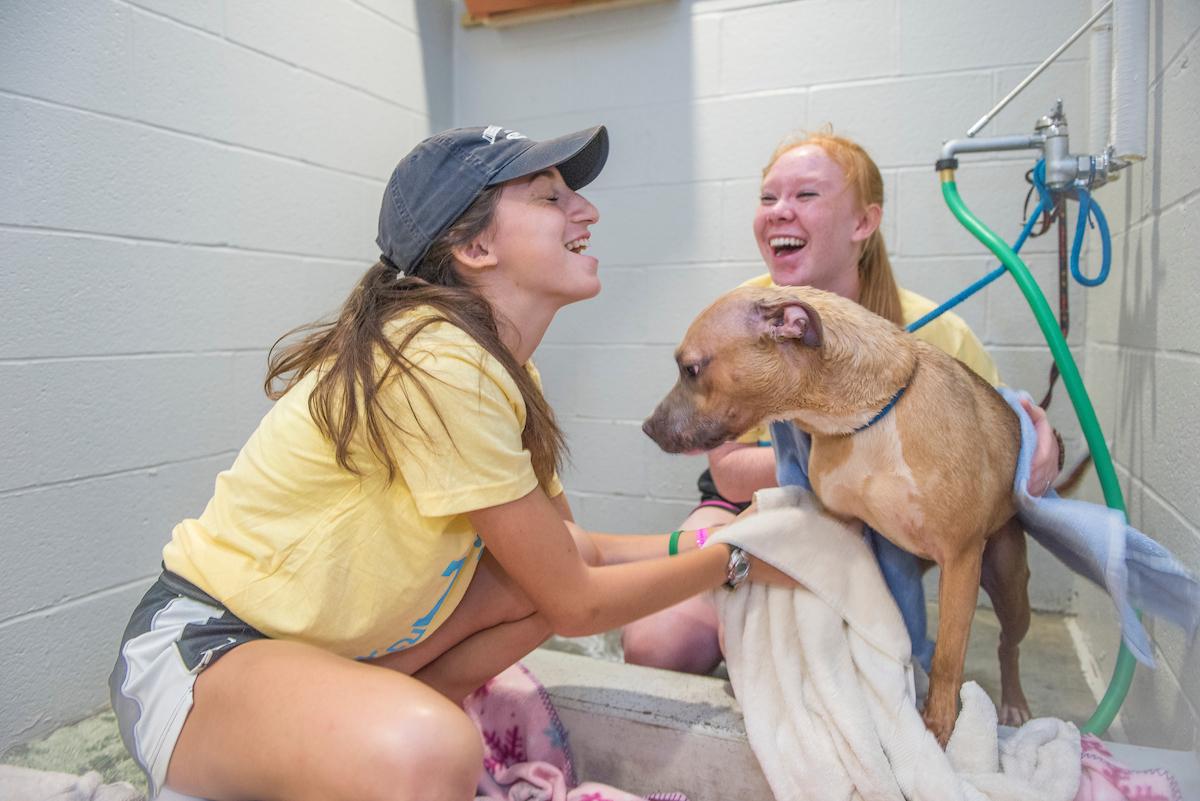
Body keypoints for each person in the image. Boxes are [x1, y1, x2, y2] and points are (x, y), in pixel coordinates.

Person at [108, 125, 793, 801]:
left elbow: (563, 560)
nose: (587, 210)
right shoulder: (439, 362)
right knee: (433, 748)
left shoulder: (504, 369)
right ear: (474, 246)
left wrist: (699, 540)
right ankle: (379, 740)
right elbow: (578, 602)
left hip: (319, 655)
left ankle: (368, 732)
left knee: (526, 585)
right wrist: (736, 557)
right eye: (550, 198)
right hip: (203, 655)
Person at [622, 130, 1062, 676]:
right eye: (767, 198)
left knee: (864, 659)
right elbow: (733, 475)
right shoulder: (740, 317)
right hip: (755, 508)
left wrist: (1038, 448)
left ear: (863, 223)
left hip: (888, 526)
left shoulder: (934, 333)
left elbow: (994, 450)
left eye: (806, 196)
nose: (780, 211)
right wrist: (853, 460)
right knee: (658, 643)